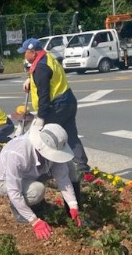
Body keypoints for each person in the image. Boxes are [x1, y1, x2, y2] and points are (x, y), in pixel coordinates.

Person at [0, 123, 82, 240]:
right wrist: (34, 221)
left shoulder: (50, 149)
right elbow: (14, 190)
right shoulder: (18, 154)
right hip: (6, 182)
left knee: (69, 166)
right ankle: (18, 208)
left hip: (32, 174)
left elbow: (63, 179)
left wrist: (73, 205)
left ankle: (34, 200)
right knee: (37, 190)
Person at [19, 38, 89, 174]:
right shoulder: (47, 57)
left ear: (33, 52)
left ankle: (45, 169)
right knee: (71, 135)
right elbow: (48, 77)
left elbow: (44, 96)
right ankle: (82, 167)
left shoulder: (40, 68)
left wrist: (41, 117)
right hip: (68, 100)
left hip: (57, 106)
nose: (24, 56)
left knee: (46, 137)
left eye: (25, 52)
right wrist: (30, 79)